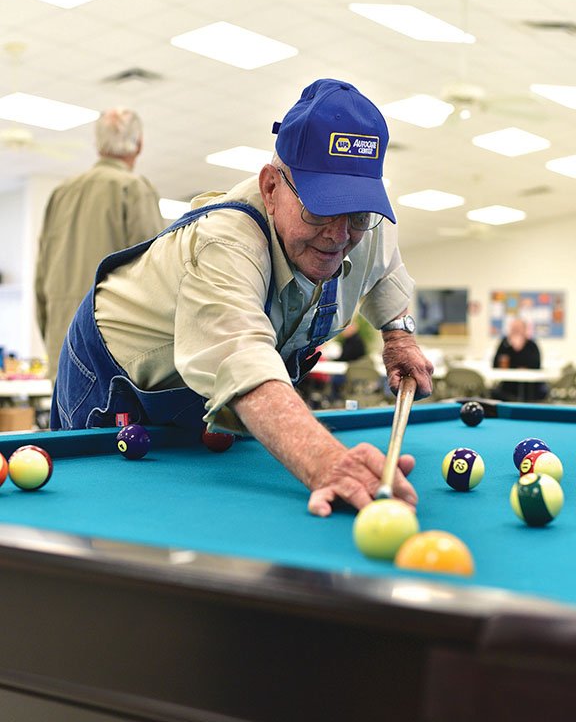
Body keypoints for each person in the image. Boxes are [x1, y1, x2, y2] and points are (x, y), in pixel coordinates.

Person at [51, 79, 434, 517]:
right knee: (97, 520)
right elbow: (243, 357)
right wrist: (326, 462)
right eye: (320, 210)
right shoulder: (226, 241)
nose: (339, 234)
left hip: (202, 388)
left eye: (358, 214)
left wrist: (398, 337)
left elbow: (384, 269)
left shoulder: (369, 224)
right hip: (115, 372)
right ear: (271, 188)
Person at [35, 107, 165, 382]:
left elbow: (40, 280)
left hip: (62, 348)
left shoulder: (61, 193)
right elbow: (156, 277)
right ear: (139, 144)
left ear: (97, 144)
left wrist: (53, 337)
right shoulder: (134, 188)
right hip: (109, 351)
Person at [492, 318, 545, 401]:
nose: (515, 331)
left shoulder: (531, 345)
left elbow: (536, 365)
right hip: (508, 385)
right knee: (494, 392)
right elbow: (495, 364)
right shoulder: (504, 344)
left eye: (518, 328)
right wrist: (511, 347)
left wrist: (519, 349)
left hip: (530, 387)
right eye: (513, 328)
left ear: (525, 330)